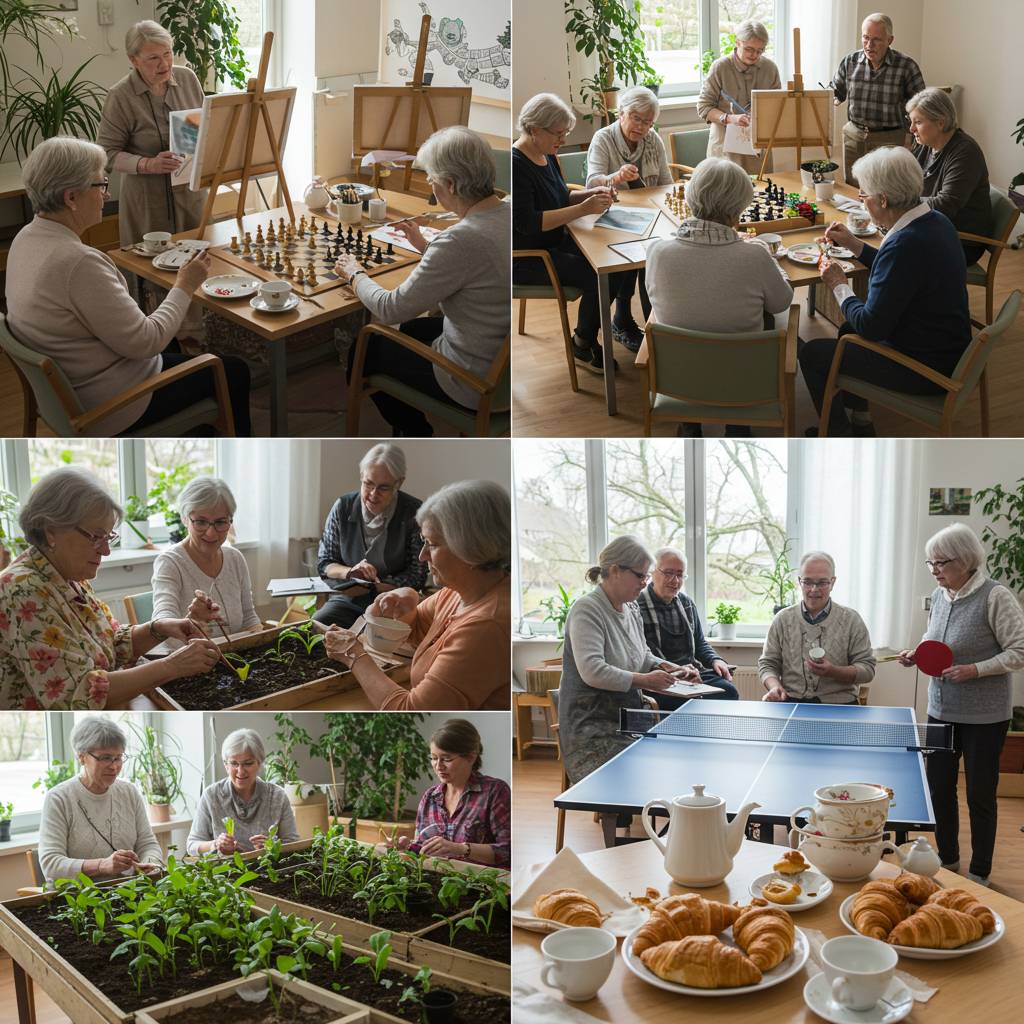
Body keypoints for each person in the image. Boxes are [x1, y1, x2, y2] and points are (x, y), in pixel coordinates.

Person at [4, 137, 252, 436]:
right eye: (101, 185)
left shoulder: (25, 238)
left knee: (176, 345)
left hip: (74, 385)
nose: (107, 196)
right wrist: (185, 285)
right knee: (232, 370)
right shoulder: (78, 263)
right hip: (113, 403)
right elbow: (147, 342)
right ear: (71, 197)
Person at [0, 468, 223, 710]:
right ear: (51, 530)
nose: (106, 551)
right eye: (96, 537)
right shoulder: (21, 590)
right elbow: (77, 695)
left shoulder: (67, 575)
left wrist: (158, 629)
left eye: (109, 537)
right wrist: (172, 666)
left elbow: (112, 642)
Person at [335, 126, 509, 436]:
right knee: (413, 331)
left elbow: (390, 309)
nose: (431, 188)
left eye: (431, 180)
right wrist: (425, 247)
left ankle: (414, 430)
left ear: (451, 185)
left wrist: (354, 273)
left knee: (368, 345)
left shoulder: (459, 239)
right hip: (504, 364)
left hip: (475, 381)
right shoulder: (508, 213)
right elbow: (476, 272)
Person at [799, 146, 971, 437]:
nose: (861, 200)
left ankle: (838, 435)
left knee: (813, 353)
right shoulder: (936, 222)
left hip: (925, 370)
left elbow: (870, 326)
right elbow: (902, 273)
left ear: (883, 199)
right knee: (845, 328)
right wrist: (854, 245)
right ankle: (861, 420)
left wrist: (838, 284)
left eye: (863, 195)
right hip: (947, 348)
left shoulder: (903, 244)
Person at [898, 524, 1024, 886]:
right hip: (941, 708)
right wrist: (917, 654)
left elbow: (1019, 650)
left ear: (966, 561)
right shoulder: (940, 595)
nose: (935, 570)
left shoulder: (996, 597)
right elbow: (932, 639)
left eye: (941, 563)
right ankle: (949, 861)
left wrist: (976, 670)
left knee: (980, 794)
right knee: (938, 788)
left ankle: (981, 872)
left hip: (985, 716)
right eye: (930, 563)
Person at [324, 481, 510, 710]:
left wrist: (353, 654)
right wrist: (407, 601)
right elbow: (419, 630)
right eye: (424, 542)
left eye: (432, 544)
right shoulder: (457, 592)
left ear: (472, 550)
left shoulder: (487, 626)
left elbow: (409, 709)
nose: (422, 556)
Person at [645, 156, 793, 436]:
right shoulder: (755, 255)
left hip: (679, 379)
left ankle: (689, 425)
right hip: (744, 381)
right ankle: (739, 426)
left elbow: (656, 302)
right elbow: (781, 302)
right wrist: (769, 261)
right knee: (766, 315)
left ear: (691, 198)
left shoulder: (657, 252)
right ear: (737, 209)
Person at [559, 536, 699, 788]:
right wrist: (644, 680)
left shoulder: (632, 608)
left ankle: (665, 825)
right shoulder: (586, 610)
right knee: (651, 771)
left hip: (630, 716)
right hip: (591, 728)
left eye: (646, 576)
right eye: (641, 576)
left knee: (680, 758)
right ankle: (623, 815)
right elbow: (592, 671)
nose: (645, 583)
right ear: (615, 571)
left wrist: (668, 667)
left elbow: (642, 655)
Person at [512, 92, 621, 373]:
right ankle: (582, 343)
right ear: (535, 129)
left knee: (616, 265)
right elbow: (529, 223)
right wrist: (584, 209)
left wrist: (590, 193)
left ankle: (587, 336)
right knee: (601, 277)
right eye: (558, 134)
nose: (562, 140)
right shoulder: (517, 164)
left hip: (558, 241)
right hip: (530, 257)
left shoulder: (547, 155)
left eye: (566, 133)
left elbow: (559, 198)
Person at [97, 20, 205, 247]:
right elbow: (106, 153)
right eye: (153, 58)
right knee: (155, 269)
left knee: (200, 260)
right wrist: (148, 164)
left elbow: (204, 128)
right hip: (147, 200)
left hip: (190, 194)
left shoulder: (187, 79)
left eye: (168, 53)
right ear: (133, 60)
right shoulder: (120, 96)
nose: (164, 63)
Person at [585, 86, 673, 350]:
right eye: (637, 119)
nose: (643, 127)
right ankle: (631, 323)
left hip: (650, 215)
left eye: (648, 122)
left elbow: (666, 182)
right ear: (621, 113)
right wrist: (616, 177)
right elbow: (591, 183)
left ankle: (654, 328)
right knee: (643, 255)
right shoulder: (603, 138)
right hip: (612, 216)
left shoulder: (653, 139)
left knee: (656, 255)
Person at [313, 443, 428, 629]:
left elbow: (417, 574)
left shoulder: (414, 512)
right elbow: (324, 563)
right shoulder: (343, 507)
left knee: (383, 640)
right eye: (368, 484)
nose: (373, 494)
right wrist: (349, 572)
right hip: (347, 600)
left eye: (383, 488)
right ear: (361, 477)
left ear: (399, 483)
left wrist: (376, 588)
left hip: (393, 603)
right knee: (318, 625)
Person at [38, 716, 162, 883]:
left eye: (118, 757)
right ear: (81, 757)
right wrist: (101, 865)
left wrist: (148, 865)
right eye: (105, 758)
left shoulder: (129, 792)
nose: (114, 766)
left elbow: (148, 844)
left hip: (130, 892)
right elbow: (51, 864)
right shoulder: (59, 798)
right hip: (78, 900)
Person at [151, 477, 261, 649]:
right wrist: (191, 621)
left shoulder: (235, 559)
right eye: (201, 522)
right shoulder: (170, 562)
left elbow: (249, 617)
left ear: (230, 521)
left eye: (220, 522)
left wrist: (260, 639)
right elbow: (163, 620)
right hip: (186, 663)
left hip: (234, 660)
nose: (211, 534)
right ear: (185, 518)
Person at [759, 551, 876, 704]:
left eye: (822, 583)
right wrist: (774, 687)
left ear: (832, 582)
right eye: (807, 582)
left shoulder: (851, 620)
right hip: (792, 703)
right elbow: (767, 664)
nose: (814, 589)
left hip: (840, 706)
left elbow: (867, 670)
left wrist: (834, 671)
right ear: (799, 581)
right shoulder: (782, 619)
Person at [392, 719, 509, 867]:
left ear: (471, 757)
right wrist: (407, 847)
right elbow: (421, 849)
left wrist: (460, 849)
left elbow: (508, 851)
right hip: (439, 883)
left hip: (482, 884)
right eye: (433, 758)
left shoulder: (494, 792)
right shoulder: (430, 798)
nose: (438, 766)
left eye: (446, 759)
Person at [637, 547, 738, 706]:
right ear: (652, 572)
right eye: (668, 573)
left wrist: (716, 660)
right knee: (679, 701)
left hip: (694, 673)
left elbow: (700, 643)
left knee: (729, 691)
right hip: (660, 678)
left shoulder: (686, 603)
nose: (675, 580)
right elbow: (646, 655)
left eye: (679, 574)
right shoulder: (637, 606)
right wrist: (679, 671)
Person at [831, 13, 925, 184]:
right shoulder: (850, 61)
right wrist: (827, 98)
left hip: (889, 139)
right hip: (854, 136)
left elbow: (920, 107)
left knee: (885, 191)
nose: (869, 45)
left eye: (876, 40)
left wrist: (910, 138)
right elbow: (837, 92)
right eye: (865, 38)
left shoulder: (906, 66)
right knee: (853, 190)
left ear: (890, 40)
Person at [907, 87, 991, 266]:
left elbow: (947, 203)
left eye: (918, 122)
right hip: (932, 228)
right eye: (911, 121)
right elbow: (903, 175)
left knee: (891, 251)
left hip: (959, 240)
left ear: (940, 123)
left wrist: (900, 204)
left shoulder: (965, 152)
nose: (911, 128)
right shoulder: (927, 144)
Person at [187, 728, 300, 856]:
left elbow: (293, 843)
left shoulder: (277, 796)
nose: (240, 771)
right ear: (226, 765)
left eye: (248, 763)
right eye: (234, 763)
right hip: (225, 872)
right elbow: (192, 845)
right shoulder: (211, 796)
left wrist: (272, 846)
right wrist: (215, 844)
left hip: (268, 870)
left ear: (259, 762)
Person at [697, 20, 782, 174]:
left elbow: (777, 107)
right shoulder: (720, 67)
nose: (754, 55)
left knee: (762, 195)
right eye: (749, 49)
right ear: (737, 42)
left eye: (760, 50)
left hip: (758, 150)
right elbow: (704, 107)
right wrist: (730, 118)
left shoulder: (770, 69)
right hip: (725, 151)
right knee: (726, 193)